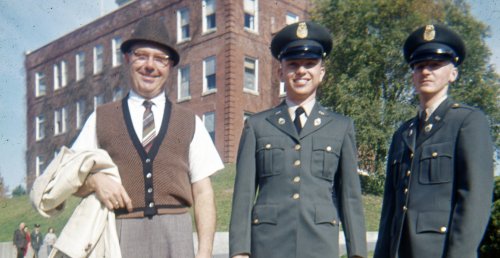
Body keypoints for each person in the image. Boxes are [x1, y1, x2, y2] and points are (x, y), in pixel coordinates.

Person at [72, 16, 224, 258]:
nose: (150, 66)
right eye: (141, 56)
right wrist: (95, 182)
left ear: (170, 66)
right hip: (120, 234)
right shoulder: (101, 118)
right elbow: (70, 179)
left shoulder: (189, 121)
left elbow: (203, 192)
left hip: (176, 235)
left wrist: (204, 252)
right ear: (127, 59)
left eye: (160, 59)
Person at [229, 21, 367, 258]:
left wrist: (358, 253)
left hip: (320, 244)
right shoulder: (257, 126)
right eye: (293, 64)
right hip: (268, 245)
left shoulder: (341, 127)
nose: (301, 71)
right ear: (280, 72)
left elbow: (350, 197)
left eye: (310, 64)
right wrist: (240, 251)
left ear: (321, 73)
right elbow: (243, 194)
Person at [374, 24, 494, 258]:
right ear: (412, 75)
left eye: (435, 65)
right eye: (419, 66)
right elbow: (389, 209)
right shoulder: (403, 133)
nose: (426, 72)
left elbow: (474, 200)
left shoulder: (467, 122)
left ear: (453, 73)